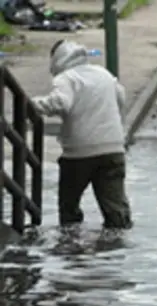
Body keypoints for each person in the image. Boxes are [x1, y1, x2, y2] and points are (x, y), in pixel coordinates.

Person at [32, 39, 133, 229]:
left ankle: (72, 246)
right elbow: (121, 96)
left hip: (79, 153)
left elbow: (61, 103)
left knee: (69, 206)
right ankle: (116, 249)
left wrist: (34, 104)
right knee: (116, 208)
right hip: (113, 149)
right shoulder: (104, 74)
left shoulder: (67, 78)